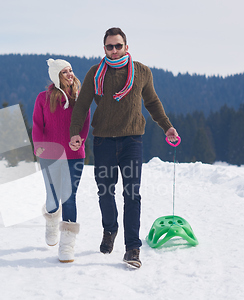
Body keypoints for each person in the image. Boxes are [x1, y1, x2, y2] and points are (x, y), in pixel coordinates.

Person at [69, 27, 179, 268]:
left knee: (132, 194)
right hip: (104, 141)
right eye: (110, 46)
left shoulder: (141, 72)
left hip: (132, 141)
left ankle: (132, 248)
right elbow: (82, 105)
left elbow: (152, 102)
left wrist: (167, 127)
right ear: (104, 48)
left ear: (127, 47)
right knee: (105, 191)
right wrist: (75, 133)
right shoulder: (95, 73)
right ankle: (110, 230)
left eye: (119, 46)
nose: (115, 50)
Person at [32, 58, 90, 263]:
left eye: (71, 70)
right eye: (65, 72)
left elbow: (85, 122)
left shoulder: (80, 98)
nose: (70, 74)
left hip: (75, 154)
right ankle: (51, 219)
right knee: (52, 196)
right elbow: (38, 124)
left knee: (69, 196)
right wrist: (38, 143)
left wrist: (80, 139)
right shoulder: (43, 98)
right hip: (49, 154)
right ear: (57, 76)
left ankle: (67, 244)